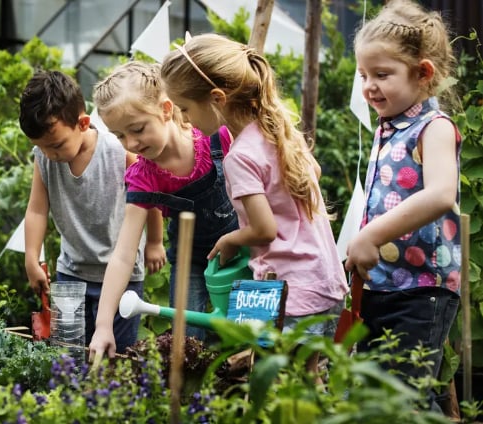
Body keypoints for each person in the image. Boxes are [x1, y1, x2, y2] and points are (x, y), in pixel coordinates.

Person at [160, 33, 348, 377]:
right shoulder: (277, 130)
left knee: (278, 388)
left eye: (185, 108)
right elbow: (314, 172)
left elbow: (264, 229)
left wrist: (230, 239)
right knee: (309, 383)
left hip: (292, 293)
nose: (184, 120)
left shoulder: (241, 156)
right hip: (325, 281)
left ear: (217, 98)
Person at [344, 0, 461, 406]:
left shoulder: (435, 127)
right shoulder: (388, 128)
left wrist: (371, 234)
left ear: (423, 73)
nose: (368, 86)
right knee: (380, 394)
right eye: (363, 75)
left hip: (421, 288)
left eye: (381, 75)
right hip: (383, 284)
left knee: (404, 397)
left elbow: (441, 193)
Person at [88, 61, 239, 358]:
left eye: (138, 129)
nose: (130, 143)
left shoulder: (216, 137)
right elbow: (123, 254)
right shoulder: (145, 177)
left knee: (248, 334)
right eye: (119, 136)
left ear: (167, 109)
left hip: (243, 252)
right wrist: (103, 324)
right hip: (190, 261)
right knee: (186, 344)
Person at [19, 70, 164, 354]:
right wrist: (30, 257)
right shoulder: (45, 159)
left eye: (57, 145)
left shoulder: (118, 153)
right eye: (41, 147)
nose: (50, 154)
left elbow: (150, 196)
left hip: (123, 276)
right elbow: (37, 210)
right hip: (71, 273)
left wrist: (156, 242)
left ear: (83, 123)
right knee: (67, 355)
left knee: (116, 358)